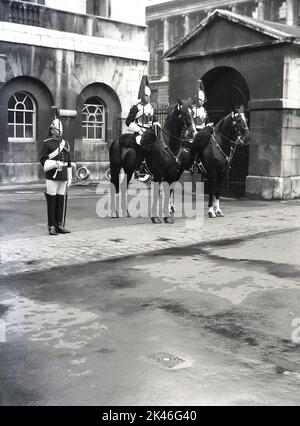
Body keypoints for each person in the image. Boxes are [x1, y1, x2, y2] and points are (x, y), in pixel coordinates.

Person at [40, 117, 72, 236]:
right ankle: (51, 226)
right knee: (52, 201)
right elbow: (43, 160)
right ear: (52, 130)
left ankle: (59, 224)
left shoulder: (66, 143)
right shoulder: (47, 143)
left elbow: (69, 162)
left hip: (63, 176)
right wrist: (54, 163)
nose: (60, 131)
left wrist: (69, 177)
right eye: (58, 129)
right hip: (52, 176)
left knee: (60, 201)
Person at [125, 75, 160, 173]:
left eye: (149, 96)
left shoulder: (152, 107)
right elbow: (128, 121)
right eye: (146, 96)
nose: (148, 98)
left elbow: (155, 121)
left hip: (149, 132)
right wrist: (138, 130)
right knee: (140, 144)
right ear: (141, 95)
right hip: (139, 132)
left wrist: (157, 125)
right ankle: (138, 167)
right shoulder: (136, 108)